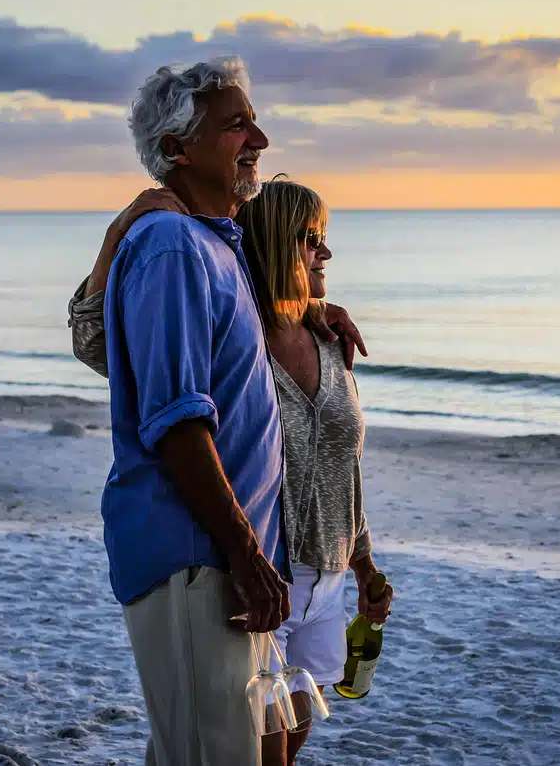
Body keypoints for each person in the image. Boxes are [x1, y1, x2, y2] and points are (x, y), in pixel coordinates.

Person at [72, 175, 394, 766]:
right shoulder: (229, 338)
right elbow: (101, 342)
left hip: (327, 577)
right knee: (232, 748)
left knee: (280, 746)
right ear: (272, 242)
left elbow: (341, 467)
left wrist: (365, 564)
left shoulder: (328, 342)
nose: (325, 252)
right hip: (261, 568)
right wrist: (118, 233)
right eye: (311, 238)